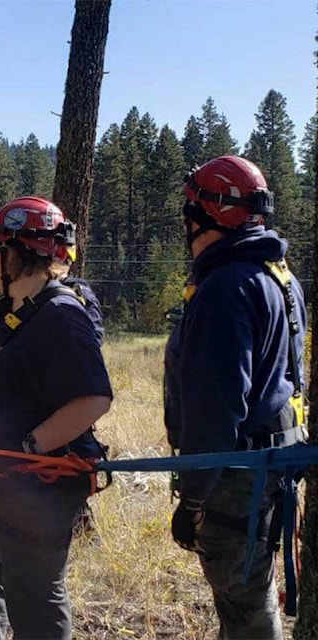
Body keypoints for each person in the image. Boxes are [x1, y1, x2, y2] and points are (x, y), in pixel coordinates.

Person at [0, 196, 112, 639]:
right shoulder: (17, 315)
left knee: (34, 607)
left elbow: (93, 398)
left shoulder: (61, 316)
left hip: (32, 494)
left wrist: (27, 449)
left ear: (18, 253)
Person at [164, 155, 306, 639]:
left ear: (208, 215)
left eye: (190, 212)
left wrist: (193, 498)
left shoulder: (225, 287)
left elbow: (216, 406)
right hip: (272, 465)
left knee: (244, 601)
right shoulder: (278, 279)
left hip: (236, 475)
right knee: (245, 596)